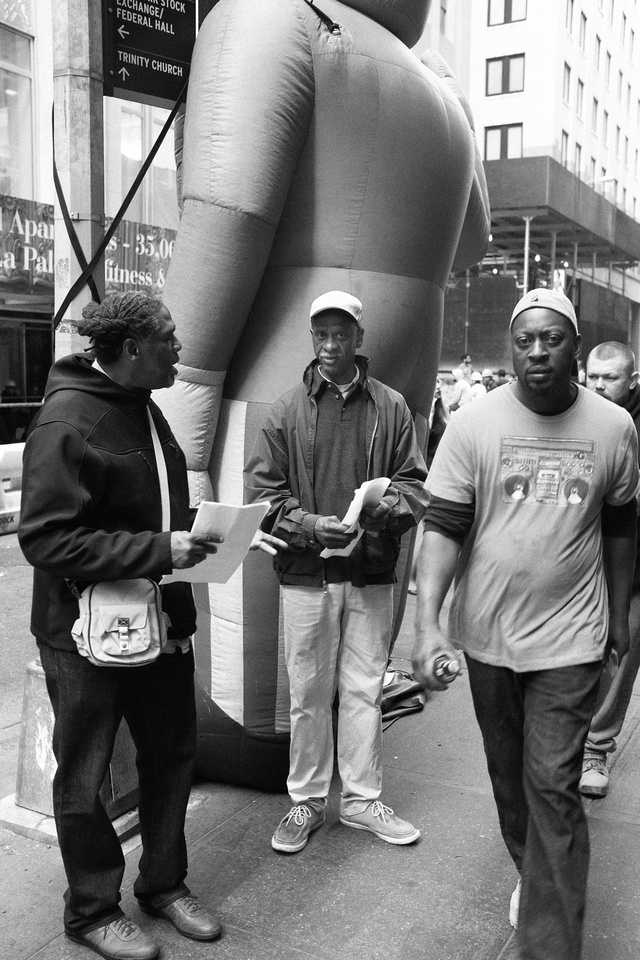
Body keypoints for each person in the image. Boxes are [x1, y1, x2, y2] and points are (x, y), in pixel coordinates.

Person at [18, 292, 282, 960]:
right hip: (83, 640)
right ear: (133, 347)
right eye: (169, 338)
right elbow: (46, 541)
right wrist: (161, 550)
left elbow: (153, 510)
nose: (181, 349)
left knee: (171, 758)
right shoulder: (67, 420)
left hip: (158, 624)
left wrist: (219, 532)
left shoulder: (144, 408)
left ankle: (163, 884)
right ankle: (91, 910)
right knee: (85, 777)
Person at [412, 288, 638, 960]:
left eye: (553, 338)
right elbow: (444, 526)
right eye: (525, 340)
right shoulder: (475, 423)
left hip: (572, 638)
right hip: (487, 637)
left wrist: (622, 611)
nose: (538, 352)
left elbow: (623, 524)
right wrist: (426, 625)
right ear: (511, 347)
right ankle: (536, 880)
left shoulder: (612, 428)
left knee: (553, 786)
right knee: (511, 783)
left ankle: (549, 943)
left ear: (574, 344)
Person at [245, 290, 428, 855]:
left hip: (371, 572)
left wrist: (385, 510)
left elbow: (415, 486)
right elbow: (264, 494)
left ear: (359, 339)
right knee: (307, 691)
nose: (329, 346)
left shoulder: (392, 407)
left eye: (340, 334)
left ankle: (360, 799)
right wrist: (308, 525)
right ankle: (306, 799)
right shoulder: (284, 410)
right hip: (306, 572)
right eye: (320, 335)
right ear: (312, 338)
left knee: (364, 689)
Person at [579, 341, 640, 797]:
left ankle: (596, 747)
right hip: (580, 559)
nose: (598, 386)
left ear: (632, 381)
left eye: (610, 378)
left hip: (634, 567)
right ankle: (561, 743)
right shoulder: (576, 412)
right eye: (593, 376)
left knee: (620, 656)